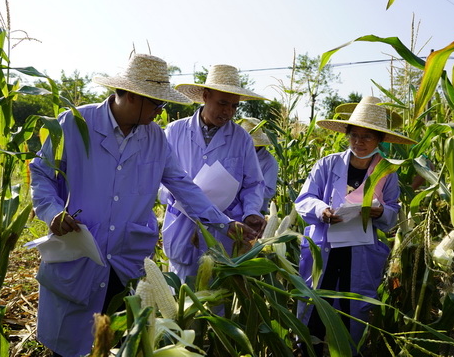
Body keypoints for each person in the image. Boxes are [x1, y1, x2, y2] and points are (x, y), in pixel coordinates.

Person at [29, 54, 255, 357]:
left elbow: (184, 187)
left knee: (119, 339)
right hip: (79, 252)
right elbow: (42, 173)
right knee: (69, 343)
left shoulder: (155, 139)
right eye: (156, 104)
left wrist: (225, 224)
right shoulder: (75, 123)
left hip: (126, 259)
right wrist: (52, 211)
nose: (160, 113)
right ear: (133, 97)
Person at [294, 96, 416, 356]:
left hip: (360, 250)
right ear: (347, 135)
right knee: (316, 304)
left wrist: (380, 211)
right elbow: (304, 200)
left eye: (367, 137)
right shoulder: (327, 164)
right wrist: (321, 210)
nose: (359, 142)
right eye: (354, 136)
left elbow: (393, 213)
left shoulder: (386, 172)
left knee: (352, 311)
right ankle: (307, 349)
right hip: (325, 246)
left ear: (379, 140)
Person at [160, 64, 268, 283]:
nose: (228, 111)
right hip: (183, 229)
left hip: (226, 235)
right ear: (205, 96)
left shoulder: (242, 139)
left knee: (218, 298)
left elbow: (254, 184)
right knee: (182, 298)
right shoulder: (174, 131)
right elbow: (162, 182)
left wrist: (251, 212)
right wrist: (180, 197)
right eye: (222, 103)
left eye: (234, 106)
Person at [239, 117, 279, 214]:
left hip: (256, 212)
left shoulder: (269, 162)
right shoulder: (235, 155)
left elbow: (269, 191)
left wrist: (242, 190)